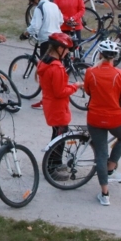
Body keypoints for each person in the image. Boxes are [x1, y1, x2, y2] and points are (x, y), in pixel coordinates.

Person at [84, 39, 121, 206]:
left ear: (100, 54)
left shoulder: (90, 72)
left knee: (101, 154)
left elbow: (88, 91)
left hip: (94, 118)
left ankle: (105, 194)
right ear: (115, 57)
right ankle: (111, 168)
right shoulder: (120, 75)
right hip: (114, 118)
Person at [39, 33, 80, 166]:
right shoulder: (56, 68)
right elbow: (60, 92)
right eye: (67, 49)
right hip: (58, 107)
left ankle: (52, 163)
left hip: (50, 104)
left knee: (57, 135)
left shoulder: (45, 62)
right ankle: (53, 166)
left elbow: (56, 87)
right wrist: (75, 86)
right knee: (60, 138)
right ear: (60, 48)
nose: (68, 52)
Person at [22, 0, 63, 73]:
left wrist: (25, 34)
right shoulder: (54, 5)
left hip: (46, 40)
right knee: (56, 65)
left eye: (32, 1)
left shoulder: (39, 8)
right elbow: (61, 21)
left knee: (45, 67)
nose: (32, 3)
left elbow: (35, 27)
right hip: (57, 38)